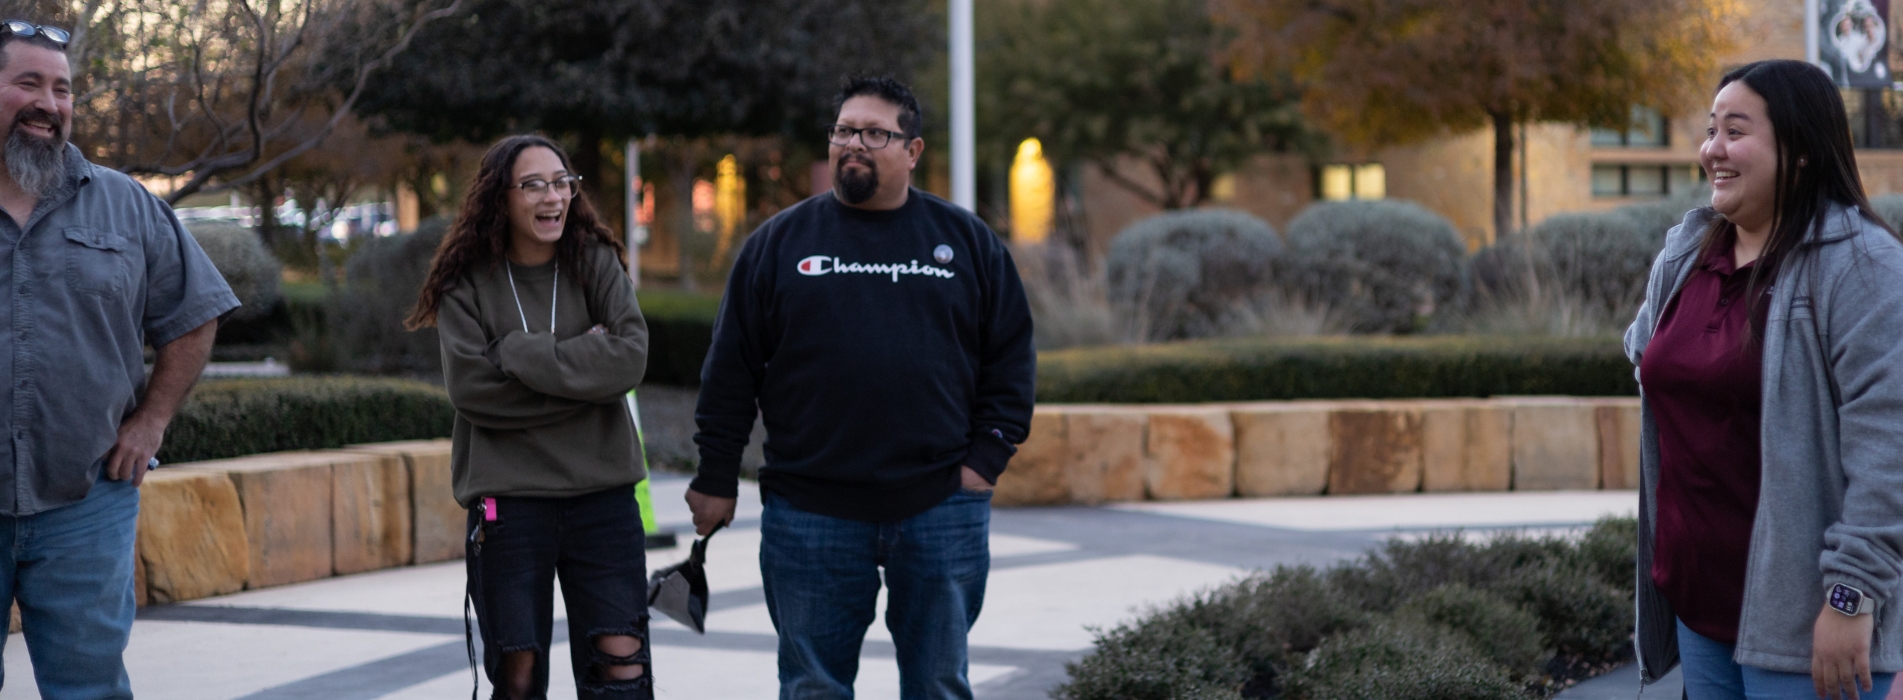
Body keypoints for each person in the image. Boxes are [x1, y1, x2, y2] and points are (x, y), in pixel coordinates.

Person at [686, 75, 1036, 700]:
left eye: (876, 133)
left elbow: (1010, 359)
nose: (855, 144)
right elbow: (732, 369)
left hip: (938, 504)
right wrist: (715, 476)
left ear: (913, 151)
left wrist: (986, 460)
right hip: (810, 508)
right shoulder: (778, 244)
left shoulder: (968, 242)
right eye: (845, 131)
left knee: (937, 684)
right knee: (813, 687)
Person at [1627, 59, 1903, 700]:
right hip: (1700, 607)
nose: (1712, 149)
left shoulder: (1861, 266)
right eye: (1710, 129)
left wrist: (1851, 597)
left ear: (1801, 151)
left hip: (1808, 624)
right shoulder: (1691, 251)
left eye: (1735, 131)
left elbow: (1890, 449)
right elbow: (1648, 357)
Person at [0, 19, 238, 699]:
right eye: (29, 83)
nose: (50, 102)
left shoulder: (124, 203)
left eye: (63, 89)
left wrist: (151, 422)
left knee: (90, 688)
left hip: (86, 501)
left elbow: (196, 313)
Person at [407, 134, 652, 700]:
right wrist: (583, 378)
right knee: (517, 673)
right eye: (534, 185)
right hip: (509, 507)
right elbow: (474, 392)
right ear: (501, 198)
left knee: (623, 664)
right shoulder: (466, 282)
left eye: (563, 183)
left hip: (604, 501)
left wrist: (517, 353)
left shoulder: (594, 263)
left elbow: (628, 359)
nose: (554, 196)